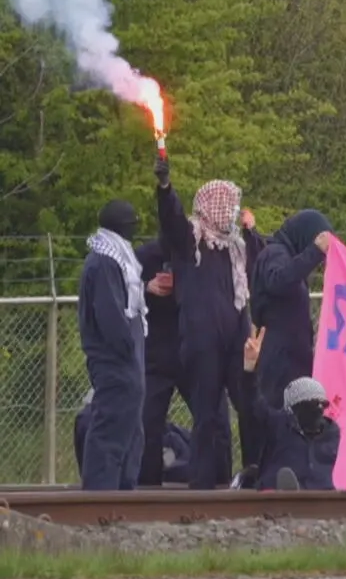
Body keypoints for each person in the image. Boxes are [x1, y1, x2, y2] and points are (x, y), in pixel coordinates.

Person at [154, 155, 263, 488]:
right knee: (207, 414)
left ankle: (254, 472)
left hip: (235, 340)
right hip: (202, 342)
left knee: (249, 404)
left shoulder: (236, 246)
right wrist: (165, 187)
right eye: (228, 205)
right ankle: (203, 484)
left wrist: (252, 231)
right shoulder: (191, 240)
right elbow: (171, 219)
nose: (232, 211)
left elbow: (260, 263)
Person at [77, 200, 147, 491]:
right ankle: (101, 494)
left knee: (129, 426)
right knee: (112, 425)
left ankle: (123, 491)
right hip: (115, 359)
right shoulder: (105, 261)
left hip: (125, 357)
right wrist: (127, 346)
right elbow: (110, 314)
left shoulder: (114, 257)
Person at [251, 210, 333, 411]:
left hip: (291, 359)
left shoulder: (287, 255)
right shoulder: (275, 253)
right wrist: (314, 252)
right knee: (278, 417)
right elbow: (278, 281)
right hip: (279, 362)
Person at [240, 328, 339, 491]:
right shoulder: (277, 425)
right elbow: (252, 404)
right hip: (276, 492)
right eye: (313, 404)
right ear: (295, 408)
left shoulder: (330, 433)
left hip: (320, 494)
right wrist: (250, 369)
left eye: (323, 404)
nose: (320, 410)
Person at [133, 239, 183, 486]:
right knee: (148, 421)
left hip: (191, 348)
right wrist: (147, 288)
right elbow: (123, 291)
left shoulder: (198, 255)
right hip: (155, 351)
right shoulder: (144, 256)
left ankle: (217, 478)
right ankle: (147, 484)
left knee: (212, 417)